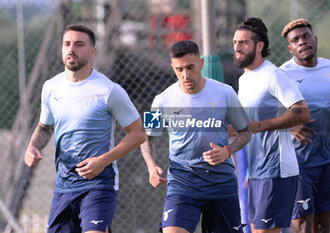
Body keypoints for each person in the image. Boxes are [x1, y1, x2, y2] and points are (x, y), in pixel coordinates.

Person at [24, 24, 146, 233]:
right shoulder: (51, 87)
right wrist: (32, 147)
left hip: (99, 183)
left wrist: (103, 161)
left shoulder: (109, 90)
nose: (72, 49)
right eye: (67, 44)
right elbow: (44, 127)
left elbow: (138, 134)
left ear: (92, 51)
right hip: (64, 186)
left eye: (79, 44)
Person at [140, 40, 252, 233]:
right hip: (183, 183)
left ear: (201, 63)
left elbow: (245, 132)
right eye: (179, 69)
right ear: (173, 68)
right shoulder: (161, 100)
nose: (185, 75)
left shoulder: (225, 93)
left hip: (221, 183)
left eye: (190, 67)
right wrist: (151, 166)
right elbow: (147, 138)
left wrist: (227, 151)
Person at [232, 17, 311, 233]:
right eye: (235, 43)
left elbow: (301, 111)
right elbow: (246, 125)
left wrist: (260, 125)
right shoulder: (244, 80)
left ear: (259, 46)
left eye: (243, 43)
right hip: (256, 171)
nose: (237, 48)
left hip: (277, 170)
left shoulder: (274, 75)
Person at [280, 18, 330, 233]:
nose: (302, 42)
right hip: (297, 163)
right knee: (303, 227)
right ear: (290, 48)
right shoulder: (283, 74)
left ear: (315, 40)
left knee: (323, 224)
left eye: (306, 36)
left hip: (326, 157)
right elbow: (266, 113)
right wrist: (289, 126)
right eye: (296, 40)